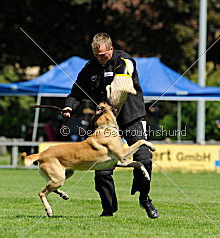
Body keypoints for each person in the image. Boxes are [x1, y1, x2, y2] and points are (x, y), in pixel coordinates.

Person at [61, 33, 159, 219]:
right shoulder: (90, 68)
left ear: (111, 49)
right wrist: (69, 106)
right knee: (102, 170)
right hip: (104, 125)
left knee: (145, 159)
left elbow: (125, 74)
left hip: (131, 117)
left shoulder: (124, 60)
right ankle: (108, 209)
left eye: (103, 55)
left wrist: (118, 87)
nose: (100, 59)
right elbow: (75, 92)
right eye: (97, 55)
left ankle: (144, 197)